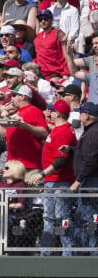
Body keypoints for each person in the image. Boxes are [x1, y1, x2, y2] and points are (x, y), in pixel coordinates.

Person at [27, 99, 76, 256]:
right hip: (53, 181)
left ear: (58, 113)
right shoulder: (57, 129)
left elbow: (62, 159)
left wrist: (42, 174)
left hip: (59, 181)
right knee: (50, 219)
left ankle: (67, 255)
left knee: (62, 219)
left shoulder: (64, 131)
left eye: (51, 110)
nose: (48, 112)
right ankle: (46, 254)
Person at [0, 84, 49, 184]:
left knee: (29, 197)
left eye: (14, 95)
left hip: (29, 166)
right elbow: (4, 135)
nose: (11, 98)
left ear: (22, 96)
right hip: (13, 165)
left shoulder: (34, 110)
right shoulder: (15, 114)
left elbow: (44, 132)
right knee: (13, 197)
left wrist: (27, 126)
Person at [65, 102, 98, 254]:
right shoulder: (89, 131)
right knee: (87, 219)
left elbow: (91, 160)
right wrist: (71, 150)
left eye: (80, 113)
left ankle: (92, 253)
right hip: (88, 181)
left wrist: (78, 181)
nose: (79, 116)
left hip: (89, 182)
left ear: (86, 115)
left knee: (90, 219)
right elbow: (85, 153)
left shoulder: (93, 133)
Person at [34, 10, 70, 79]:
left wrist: (66, 73)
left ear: (51, 20)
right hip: (40, 74)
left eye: (45, 18)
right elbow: (38, 56)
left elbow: (64, 55)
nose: (43, 21)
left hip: (55, 74)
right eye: (40, 19)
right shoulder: (37, 37)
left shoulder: (58, 34)